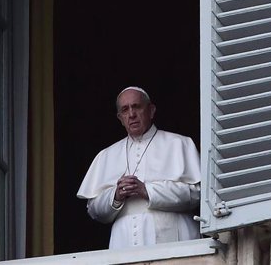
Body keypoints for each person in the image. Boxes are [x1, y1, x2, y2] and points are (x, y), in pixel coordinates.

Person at [77, 86, 201, 249]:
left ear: (151, 110)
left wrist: (147, 190)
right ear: (120, 117)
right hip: (124, 242)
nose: (132, 114)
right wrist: (116, 196)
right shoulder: (106, 155)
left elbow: (197, 194)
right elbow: (94, 210)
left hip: (174, 239)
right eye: (125, 110)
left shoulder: (179, 144)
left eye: (136, 106)